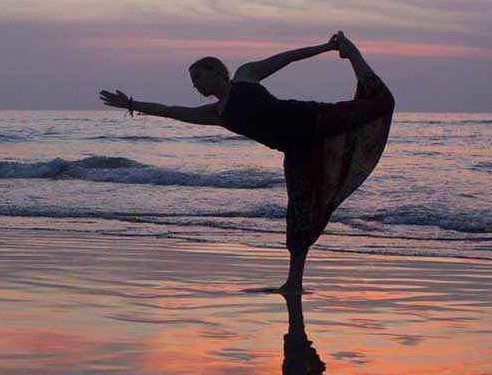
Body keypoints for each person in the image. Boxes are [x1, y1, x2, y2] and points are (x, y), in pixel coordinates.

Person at [99, 32, 395, 294]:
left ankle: (353, 53)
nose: (196, 86)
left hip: (312, 119)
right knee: (300, 215)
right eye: (193, 82)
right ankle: (294, 283)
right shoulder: (216, 113)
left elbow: (287, 59)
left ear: (216, 71)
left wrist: (328, 47)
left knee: (380, 103)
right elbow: (171, 111)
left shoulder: (246, 75)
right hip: (296, 151)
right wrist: (131, 104)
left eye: (198, 77)